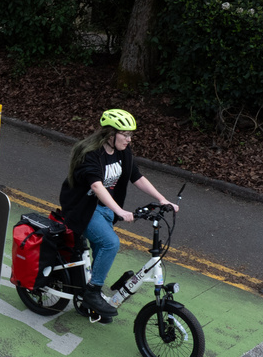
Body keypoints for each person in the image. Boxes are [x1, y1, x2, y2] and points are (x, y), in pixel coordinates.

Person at [59, 109, 179, 320]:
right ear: (109, 134)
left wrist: (162, 199)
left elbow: (136, 176)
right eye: (125, 134)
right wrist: (120, 211)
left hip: (105, 208)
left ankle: (90, 300)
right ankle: (92, 293)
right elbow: (96, 186)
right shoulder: (91, 154)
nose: (129, 139)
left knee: (100, 250)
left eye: (131, 134)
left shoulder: (123, 152)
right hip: (83, 208)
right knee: (110, 244)